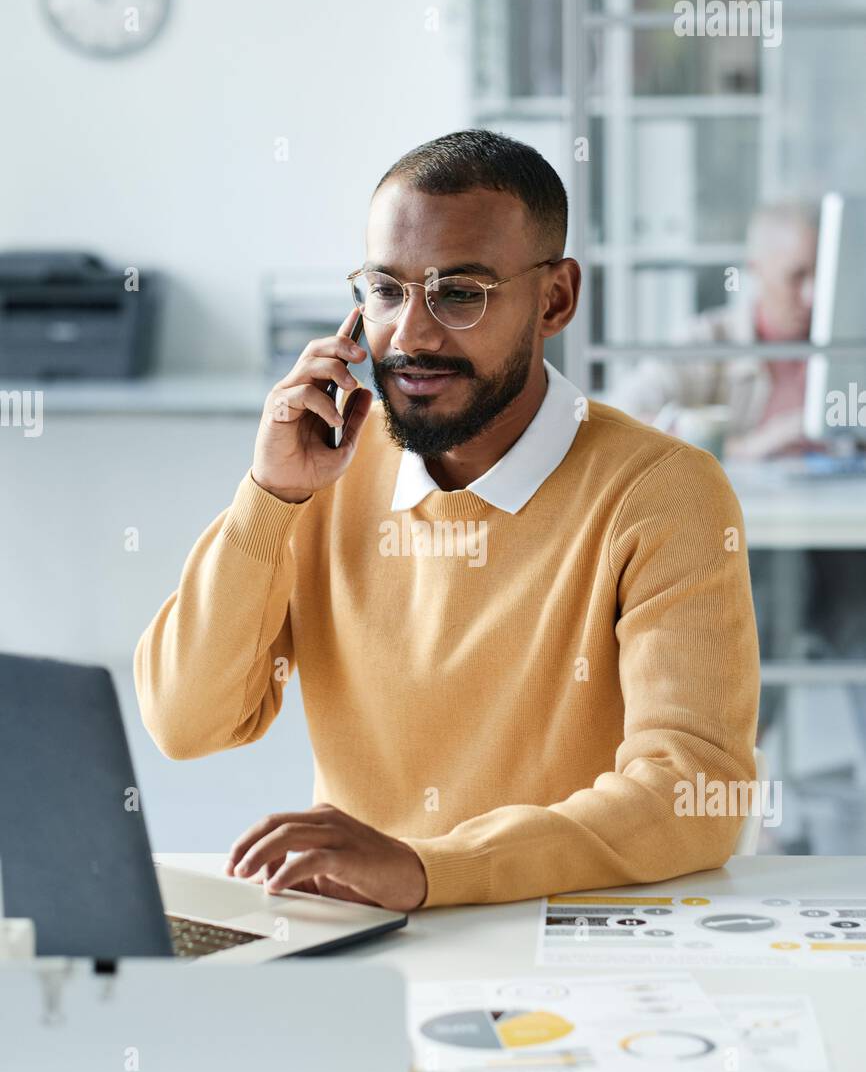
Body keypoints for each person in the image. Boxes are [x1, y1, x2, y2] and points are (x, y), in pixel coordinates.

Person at [134, 129, 761, 910]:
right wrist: (269, 497)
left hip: (564, 932)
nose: (413, 334)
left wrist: (432, 868)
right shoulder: (323, 470)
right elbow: (185, 723)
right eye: (387, 291)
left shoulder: (663, 491)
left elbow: (695, 794)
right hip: (360, 935)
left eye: (460, 293)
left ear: (555, 298)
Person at [611, 200, 821, 459]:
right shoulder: (709, 340)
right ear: (756, 269)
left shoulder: (849, 345)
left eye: (823, 274)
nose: (813, 295)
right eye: (796, 276)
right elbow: (620, 419)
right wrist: (746, 447)